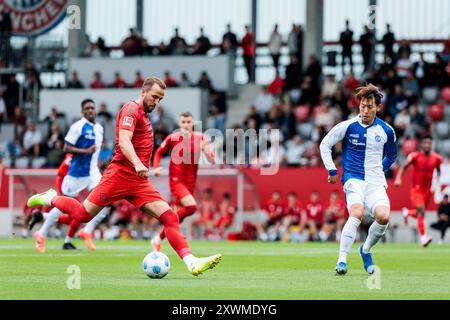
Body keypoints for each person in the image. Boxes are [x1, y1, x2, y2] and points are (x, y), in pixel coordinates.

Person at [27, 77, 222, 276]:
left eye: (160, 99)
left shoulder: (145, 117)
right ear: (143, 92)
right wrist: (137, 162)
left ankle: (191, 263)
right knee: (82, 215)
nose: (156, 102)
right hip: (118, 176)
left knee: (170, 217)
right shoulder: (131, 110)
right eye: (154, 97)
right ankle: (50, 197)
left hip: (139, 182)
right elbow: (124, 140)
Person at [320, 83, 397, 275]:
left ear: (378, 107)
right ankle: (342, 260)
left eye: (369, 107)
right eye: (362, 106)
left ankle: (365, 250)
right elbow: (325, 144)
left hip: (375, 182)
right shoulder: (347, 126)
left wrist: (381, 168)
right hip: (353, 178)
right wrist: (331, 170)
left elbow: (392, 155)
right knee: (357, 213)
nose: (365, 110)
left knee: (384, 216)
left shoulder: (386, 131)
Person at [32, 99, 109, 253]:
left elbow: (96, 153)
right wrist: (85, 151)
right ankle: (41, 234)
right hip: (76, 173)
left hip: (93, 172)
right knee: (62, 207)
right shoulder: (77, 127)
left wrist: (100, 161)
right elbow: (66, 148)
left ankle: (87, 230)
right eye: (87, 108)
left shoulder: (99, 128)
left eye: (92, 108)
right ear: (82, 112)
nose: (91, 111)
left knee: (105, 200)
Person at [151, 112, 216, 250]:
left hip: (190, 182)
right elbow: (158, 153)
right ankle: (167, 232)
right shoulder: (173, 138)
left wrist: (206, 150)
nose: (186, 125)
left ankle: (157, 239)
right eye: (183, 122)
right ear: (179, 124)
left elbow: (212, 159)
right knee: (192, 207)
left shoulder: (200, 138)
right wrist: (156, 167)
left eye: (188, 122)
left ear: (192, 123)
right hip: (176, 180)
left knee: (178, 216)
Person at [394, 135, 442, 247]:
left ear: (431, 144)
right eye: (424, 143)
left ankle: (407, 212)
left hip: (427, 191)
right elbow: (404, 166)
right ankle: (423, 237)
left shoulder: (436, 158)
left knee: (421, 213)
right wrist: (398, 178)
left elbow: (438, 170)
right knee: (421, 210)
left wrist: (437, 178)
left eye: (428, 143)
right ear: (421, 144)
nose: (426, 145)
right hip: (416, 189)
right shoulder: (415, 156)